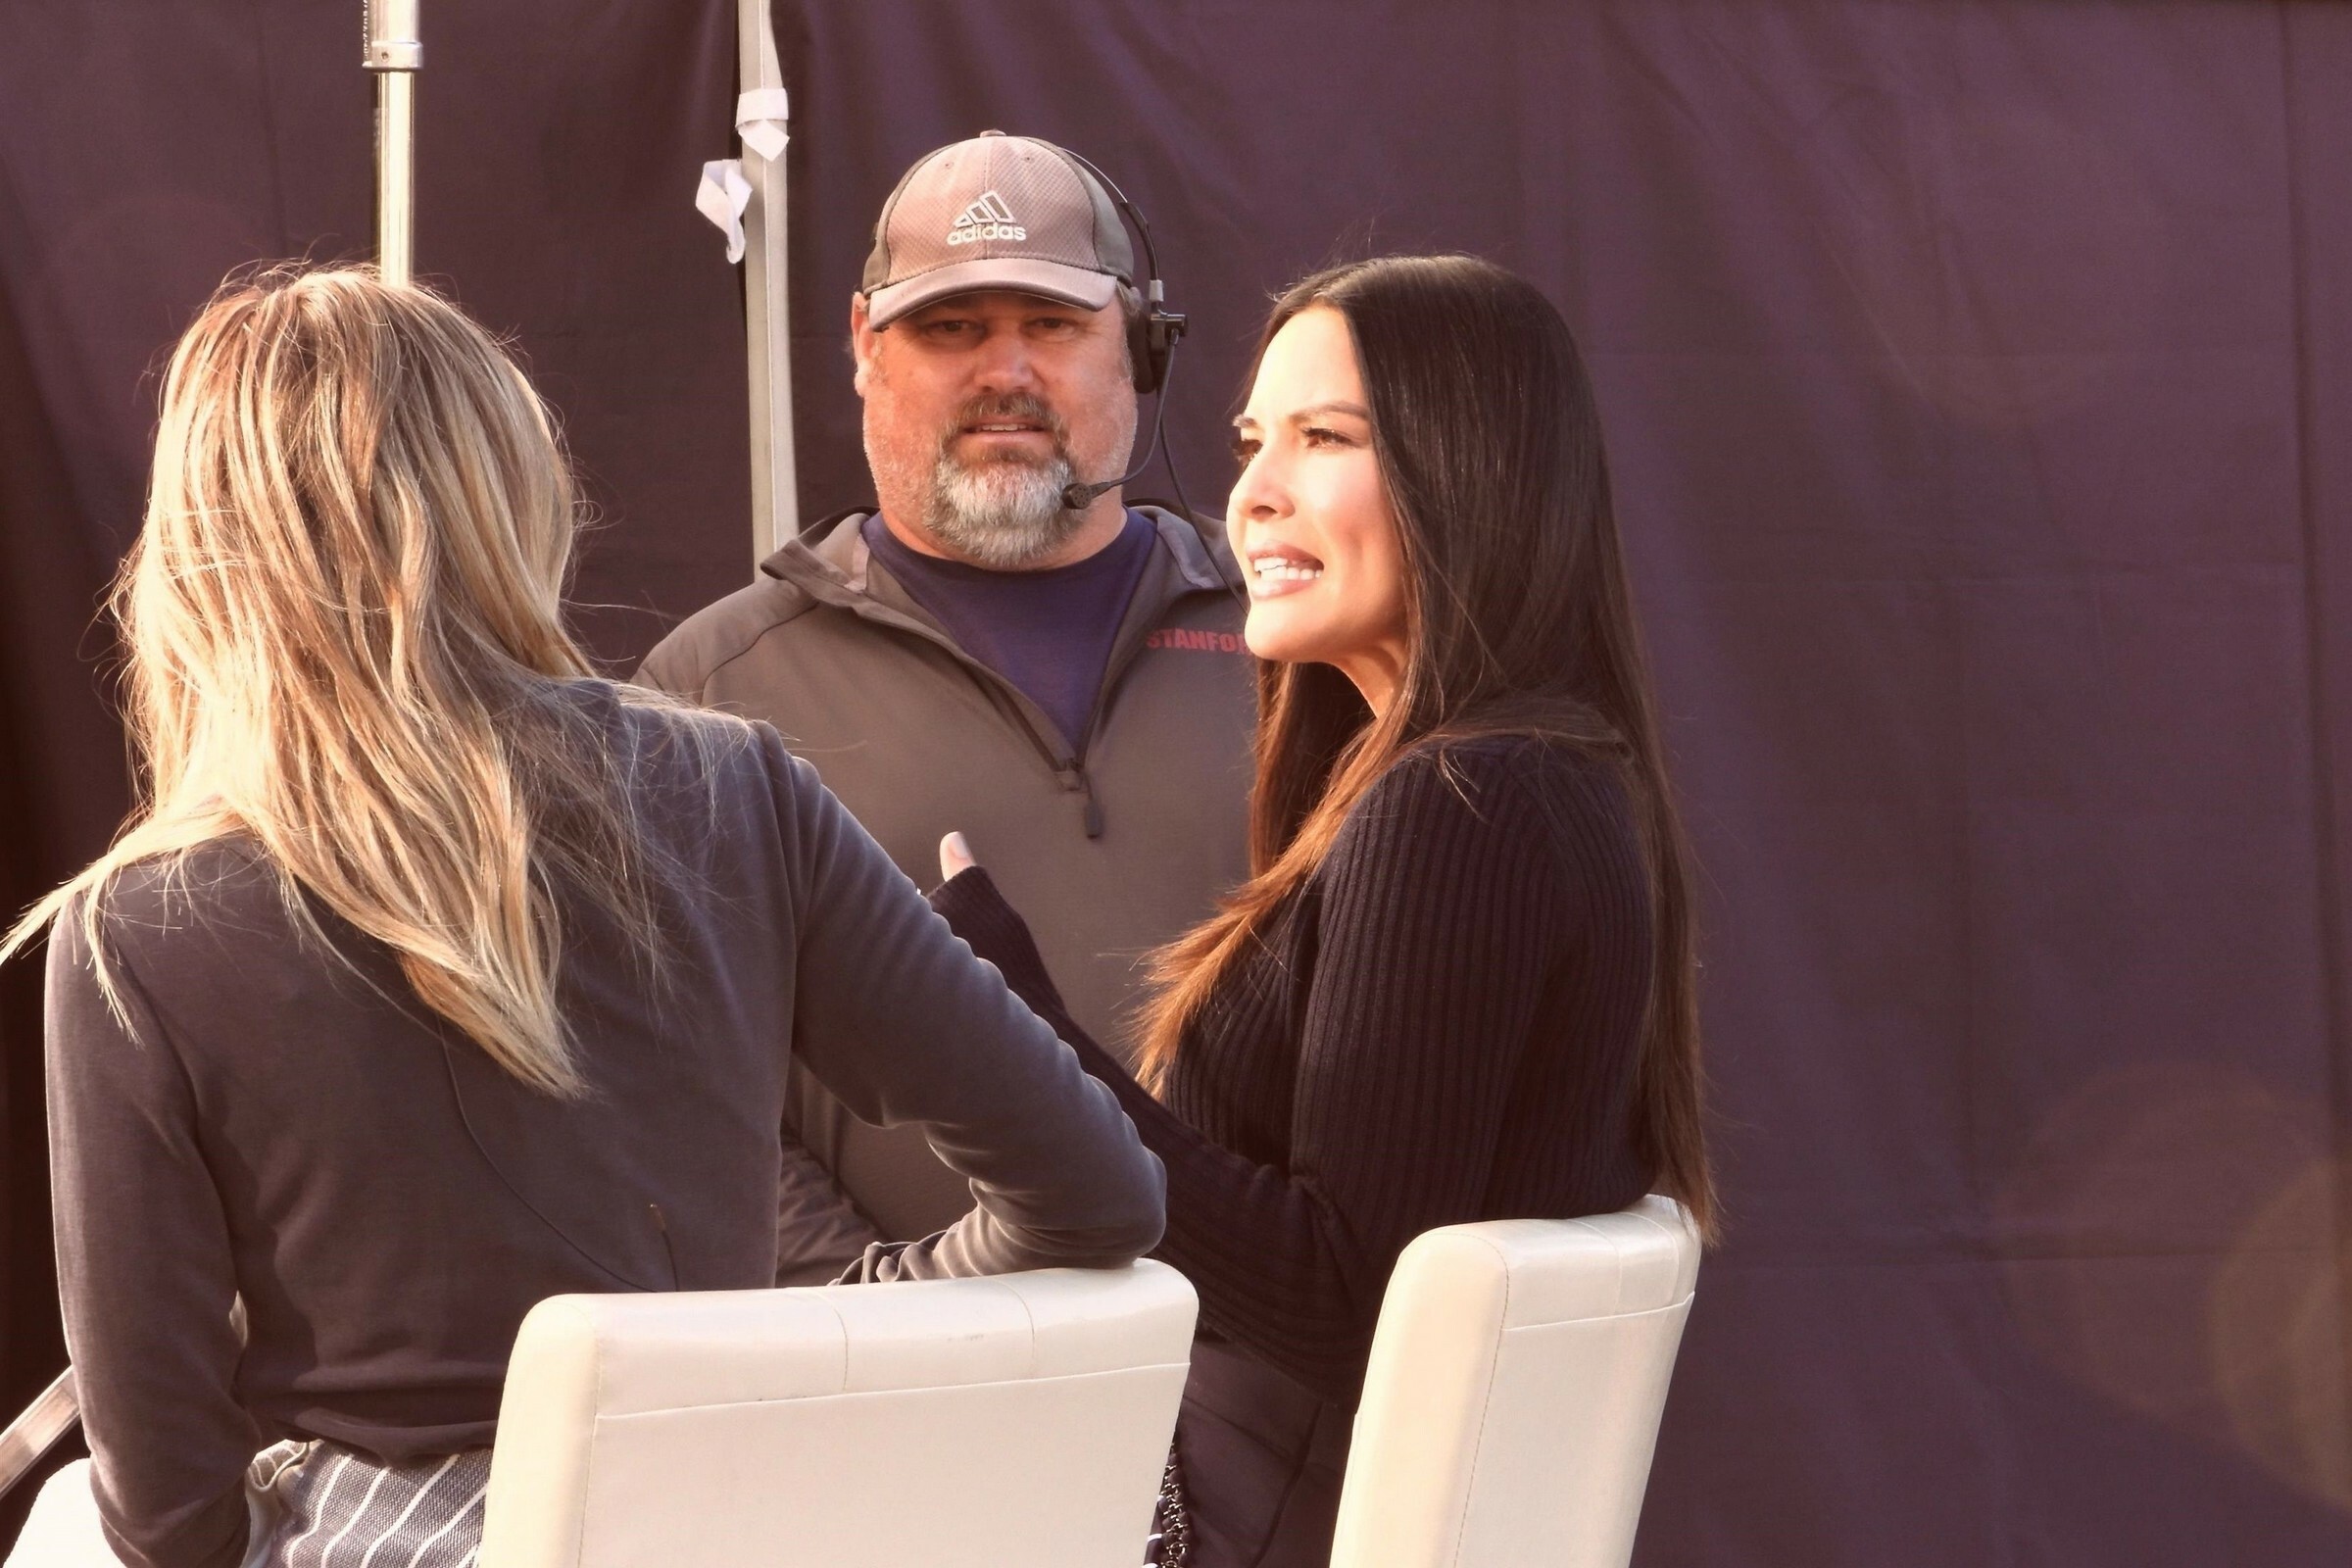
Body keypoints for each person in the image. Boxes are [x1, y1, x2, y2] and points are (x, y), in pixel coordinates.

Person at [8, 268, 1165, 1568]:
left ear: (201, 549)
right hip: (749, 1527)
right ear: (511, 491)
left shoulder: (136, 932)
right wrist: (825, 1336)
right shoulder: (735, 792)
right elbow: (1099, 1192)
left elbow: (167, 1510)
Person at [927, 254, 1717, 1568]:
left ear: (1473, 472)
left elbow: (1347, 1302)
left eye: (1326, 439)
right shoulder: (1556, 783)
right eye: (1253, 444)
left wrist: (1015, 1038)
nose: (1253, 495)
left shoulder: (1459, 808)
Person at [638, 131, 1251, 1272]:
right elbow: (680, 1086)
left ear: (1142, 348)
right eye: (951, 327)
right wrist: (887, 1317)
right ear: (864, 347)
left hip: (1284, 1366)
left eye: (1052, 325)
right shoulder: (707, 695)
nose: (1004, 370)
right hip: (906, 1362)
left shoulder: (1298, 643)